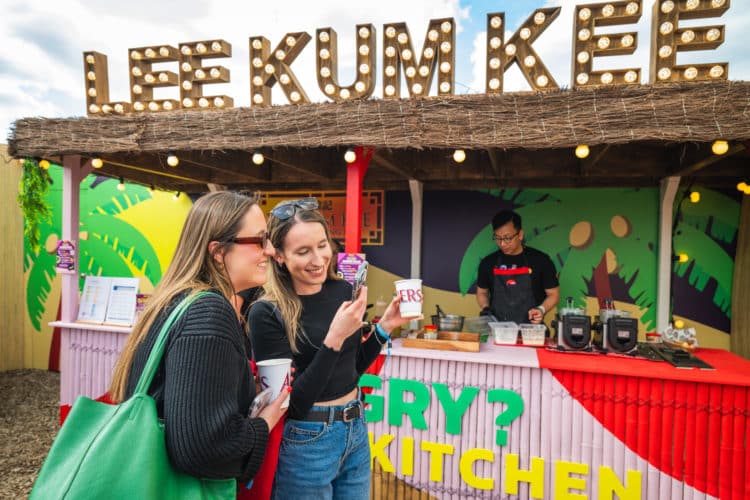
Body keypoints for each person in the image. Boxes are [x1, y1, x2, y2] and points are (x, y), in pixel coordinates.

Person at [109, 191, 288, 487]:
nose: (270, 250)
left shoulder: (178, 300)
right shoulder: (209, 312)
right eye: (259, 240)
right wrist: (265, 421)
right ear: (218, 252)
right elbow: (202, 449)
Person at [247, 197, 413, 500]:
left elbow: (349, 371)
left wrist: (385, 328)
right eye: (302, 251)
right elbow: (291, 405)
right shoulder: (266, 313)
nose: (318, 259)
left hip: (356, 429)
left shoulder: (342, 290)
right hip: (306, 439)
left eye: (322, 245)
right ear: (279, 256)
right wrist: (333, 340)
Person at [476, 209, 560, 325]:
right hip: (497, 332)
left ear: (520, 235)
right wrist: (486, 308)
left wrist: (541, 309)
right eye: (498, 238)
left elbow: (553, 294)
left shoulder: (540, 260)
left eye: (507, 238)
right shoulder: (488, 262)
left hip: (531, 332)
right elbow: (482, 293)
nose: (502, 244)